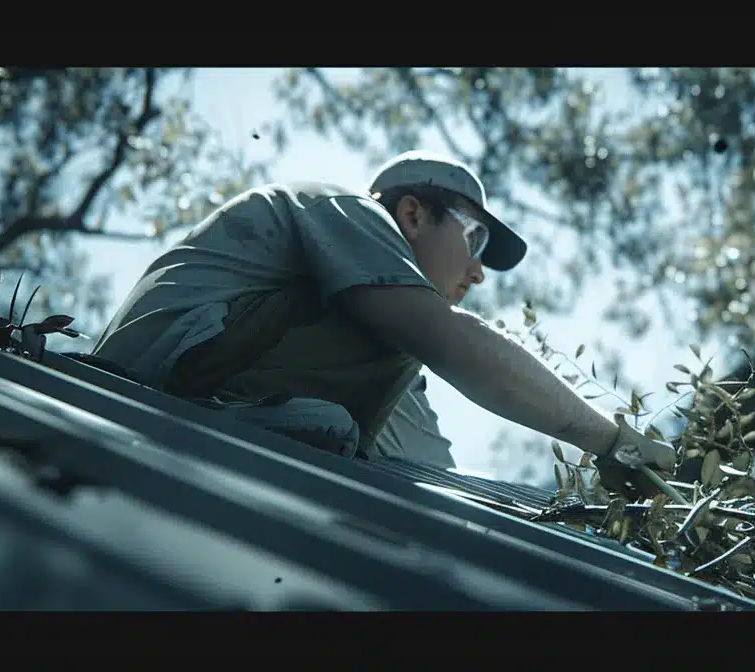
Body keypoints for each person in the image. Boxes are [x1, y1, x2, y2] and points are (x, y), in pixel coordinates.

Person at [90, 150, 675, 496]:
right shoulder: (342, 209)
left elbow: (438, 486)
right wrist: (613, 442)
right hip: (148, 387)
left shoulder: (383, 361)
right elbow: (450, 340)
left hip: (208, 431)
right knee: (414, 332)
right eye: (474, 238)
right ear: (413, 214)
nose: (477, 272)